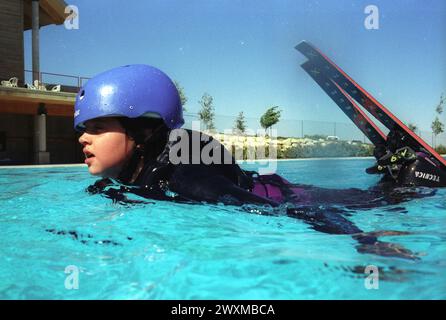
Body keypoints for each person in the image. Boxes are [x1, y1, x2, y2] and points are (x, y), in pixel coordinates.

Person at [74, 64, 431, 259]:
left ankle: (410, 176)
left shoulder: (186, 176)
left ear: (144, 131)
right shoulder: (127, 176)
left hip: (286, 198)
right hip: (260, 182)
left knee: (385, 200)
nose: (83, 138)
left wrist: (362, 240)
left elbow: (280, 213)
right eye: (83, 128)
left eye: (98, 127)